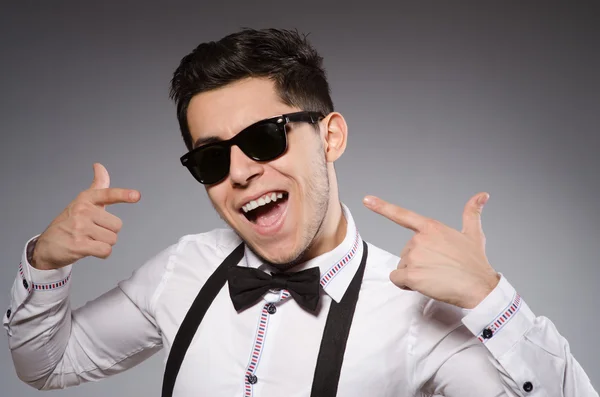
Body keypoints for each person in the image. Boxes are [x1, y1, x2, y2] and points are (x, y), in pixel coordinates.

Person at [3, 28, 597, 397]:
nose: (239, 172)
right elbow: (46, 366)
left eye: (264, 138)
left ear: (330, 137)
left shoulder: (418, 318)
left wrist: (494, 301)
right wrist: (47, 263)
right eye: (212, 158)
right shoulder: (181, 269)